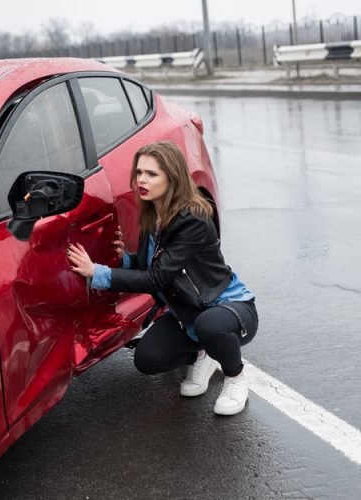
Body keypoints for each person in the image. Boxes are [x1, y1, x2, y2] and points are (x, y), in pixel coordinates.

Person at [66, 141, 258, 416]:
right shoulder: (154, 214)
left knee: (211, 325)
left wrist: (98, 272)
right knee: (148, 359)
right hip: (188, 314)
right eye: (140, 172)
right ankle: (203, 354)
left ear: (173, 177)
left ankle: (236, 376)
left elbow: (156, 278)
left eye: (152, 174)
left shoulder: (192, 218)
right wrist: (126, 260)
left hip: (227, 308)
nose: (142, 180)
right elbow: (156, 263)